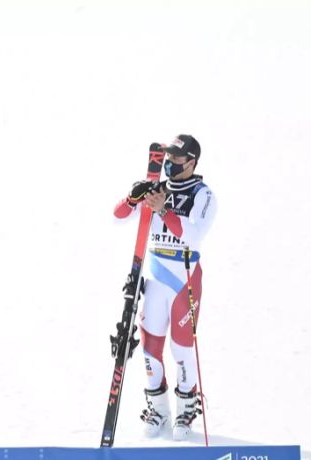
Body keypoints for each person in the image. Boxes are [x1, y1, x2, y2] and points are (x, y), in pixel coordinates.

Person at [113, 134, 217, 441]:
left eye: (176, 159)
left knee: (181, 346)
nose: (170, 164)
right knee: (150, 347)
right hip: (157, 274)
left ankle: (186, 407)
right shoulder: (157, 189)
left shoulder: (203, 194)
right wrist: (132, 199)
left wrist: (163, 211)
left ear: (192, 162)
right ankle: (158, 408)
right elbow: (117, 217)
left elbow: (194, 235)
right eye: (167, 159)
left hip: (184, 278)